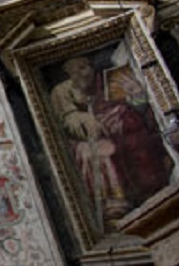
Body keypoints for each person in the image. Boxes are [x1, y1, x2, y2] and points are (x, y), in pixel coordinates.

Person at [50, 56, 171, 227]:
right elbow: (69, 119)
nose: (83, 73)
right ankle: (114, 205)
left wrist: (137, 97)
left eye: (85, 67)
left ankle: (151, 190)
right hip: (87, 138)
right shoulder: (61, 91)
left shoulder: (107, 82)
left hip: (118, 128)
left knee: (126, 119)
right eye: (76, 69)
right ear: (68, 72)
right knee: (99, 152)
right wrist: (86, 121)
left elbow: (136, 106)